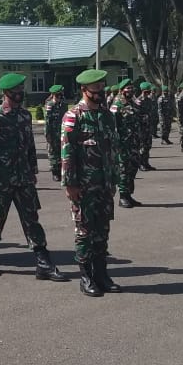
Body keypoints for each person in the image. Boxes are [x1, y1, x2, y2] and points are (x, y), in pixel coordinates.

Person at [0, 72, 65, 281]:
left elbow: (29, 145)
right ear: (6, 93)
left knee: (32, 219)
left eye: (21, 90)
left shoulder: (25, 115)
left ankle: (43, 262)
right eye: (16, 91)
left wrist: (33, 169)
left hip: (23, 177)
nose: (20, 94)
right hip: (1, 179)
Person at [61, 69, 120, 296]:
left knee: (102, 232)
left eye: (102, 88)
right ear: (84, 90)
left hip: (104, 185)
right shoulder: (74, 116)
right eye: (96, 90)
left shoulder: (106, 115)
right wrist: (70, 184)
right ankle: (86, 277)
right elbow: (67, 153)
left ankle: (102, 274)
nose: (100, 93)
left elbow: (112, 150)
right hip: (83, 186)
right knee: (84, 232)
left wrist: (114, 179)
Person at [110, 78, 141, 208]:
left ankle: (128, 194)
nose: (130, 90)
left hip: (133, 142)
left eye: (131, 88)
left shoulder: (132, 103)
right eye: (127, 88)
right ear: (121, 90)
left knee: (132, 168)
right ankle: (122, 196)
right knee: (123, 170)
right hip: (122, 144)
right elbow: (113, 125)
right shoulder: (117, 104)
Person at [43, 84, 66, 182]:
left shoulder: (63, 105)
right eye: (57, 96)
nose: (59, 98)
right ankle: (55, 172)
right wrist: (47, 135)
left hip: (61, 132)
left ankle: (61, 171)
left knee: (61, 151)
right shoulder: (50, 105)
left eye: (60, 95)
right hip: (52, 132)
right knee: (53, 152)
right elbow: (47, 121)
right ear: (53, 95)